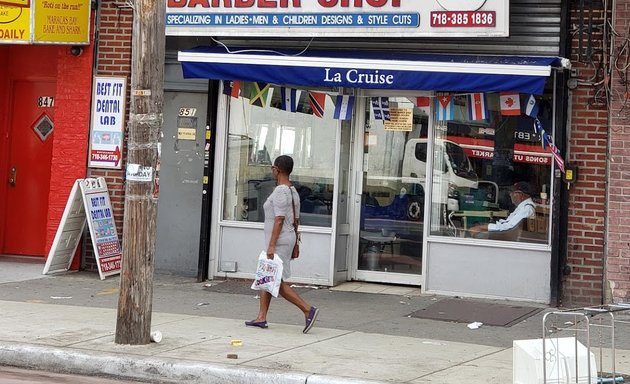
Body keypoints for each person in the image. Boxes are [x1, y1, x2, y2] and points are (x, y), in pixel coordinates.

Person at [245, 155, 320, 334]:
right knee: (267, 275)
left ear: (277, 169)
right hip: (287, 237)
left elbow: (279, 220)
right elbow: (295, 218)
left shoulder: (280, 191)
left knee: (275, 279)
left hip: (279, 240)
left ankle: (307, 310)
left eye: (273, 167)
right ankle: (261, 317)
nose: (272, 170)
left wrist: (271, 245)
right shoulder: (293, 190)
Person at [468, 181, 536, 235]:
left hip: (507, 238)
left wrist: (482, 228)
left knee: (476, 234)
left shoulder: (526, 209)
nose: (510, 195)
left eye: (513, 193)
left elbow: (508, 228)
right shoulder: (523, 207)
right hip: (506, 235)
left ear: (521, 195)